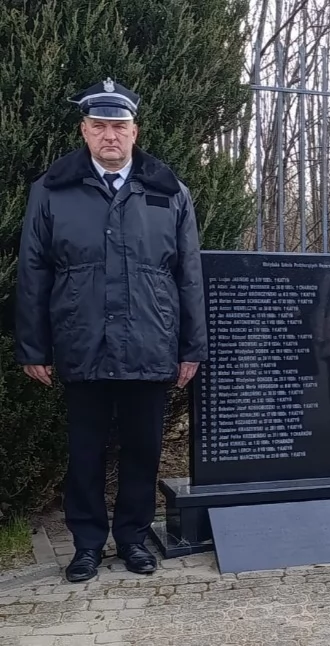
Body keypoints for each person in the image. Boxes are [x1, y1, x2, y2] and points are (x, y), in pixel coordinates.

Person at [15, 78, 207, 582]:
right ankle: (86, 545)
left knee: (143, 451)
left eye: (119, 127)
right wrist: (33, 346)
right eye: (99, 126)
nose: (110, 136)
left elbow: (188, 274)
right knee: (85, 452)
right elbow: (33, 271)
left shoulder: (170, 191)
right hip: (83, 341)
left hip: (150, 343)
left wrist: (191, 347)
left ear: (134, 131)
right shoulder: (51, 191)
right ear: (84, 131)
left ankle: (133, 540)